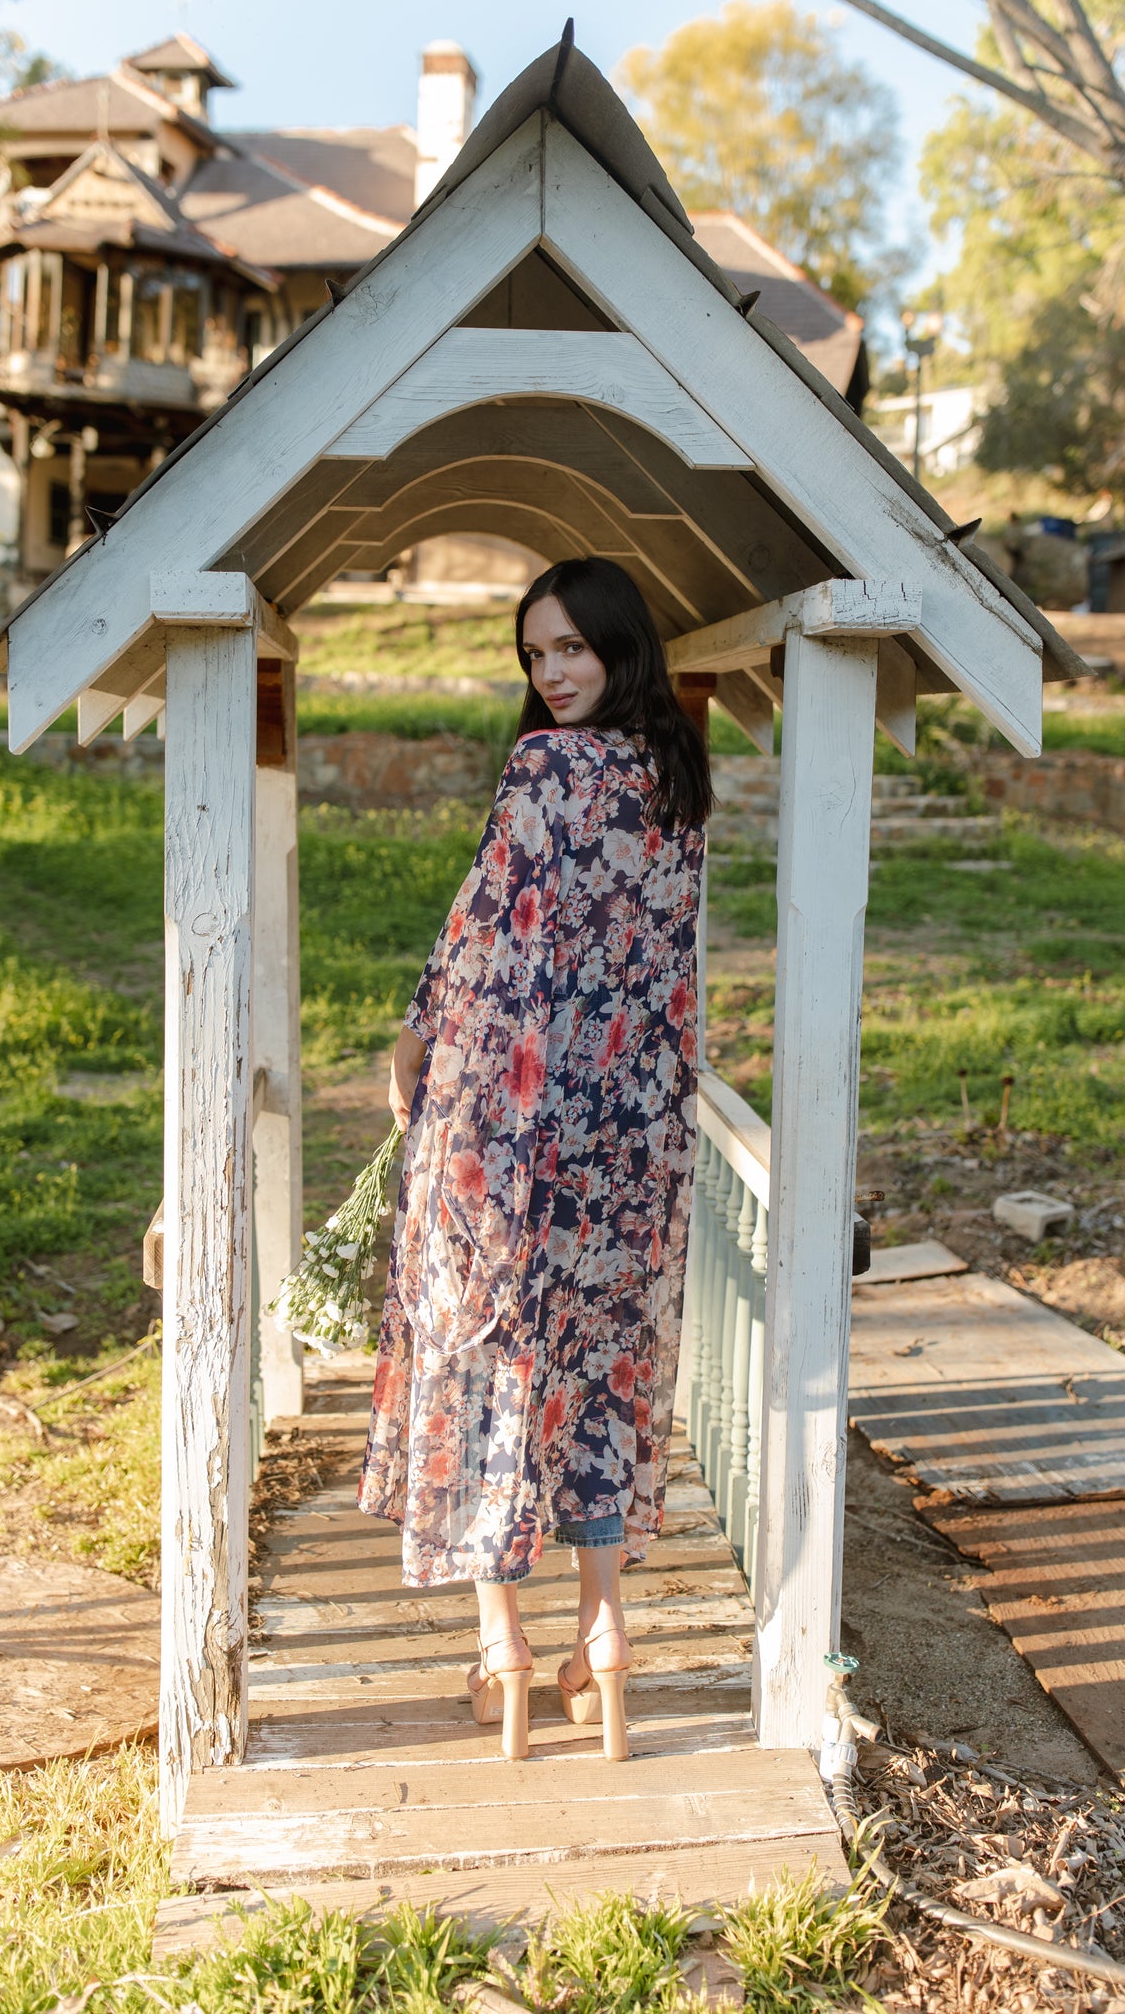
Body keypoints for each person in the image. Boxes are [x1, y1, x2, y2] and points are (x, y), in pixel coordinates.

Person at [357, 555, 711, 1764]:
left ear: (618, 642)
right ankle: (603, 1638)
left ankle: (501, 1645)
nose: (551, 673)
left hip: (506, 1141)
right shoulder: (678, 780)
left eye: (569, 647)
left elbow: (479, 928)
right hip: (632, 1140)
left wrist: (412, 1040)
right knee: (601, 1371)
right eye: (533, 654)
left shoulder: (541, 769)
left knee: (491, 1370)